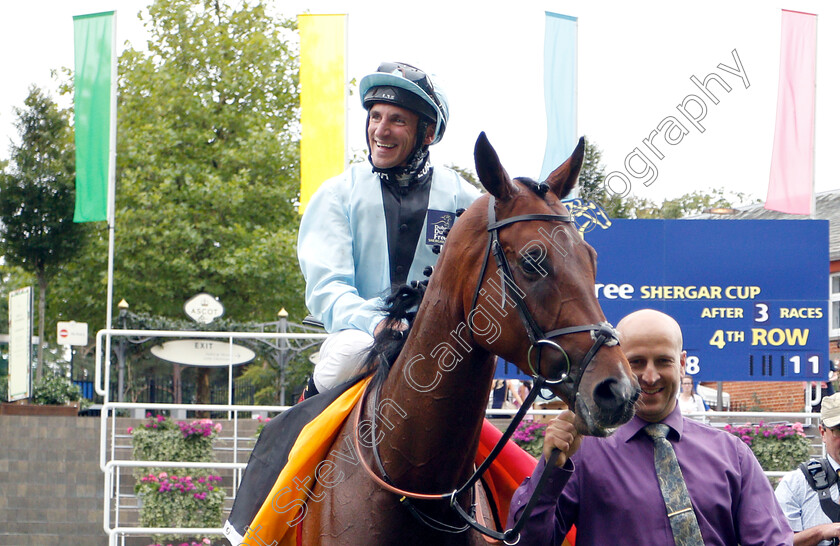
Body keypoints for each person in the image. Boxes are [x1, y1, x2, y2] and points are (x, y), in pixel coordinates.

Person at [506, 308, 792, 545]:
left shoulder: (733, 456)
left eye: (663, 361)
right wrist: (551, 469)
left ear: (682, 364)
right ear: (616, 364)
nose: (650, 376)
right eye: (637, 362)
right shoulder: (582, 455)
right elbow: (526, 541)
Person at [298, 61, 481, 396]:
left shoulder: (465, 199)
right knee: (349, 353)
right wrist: (379, 323)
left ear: (428, 133)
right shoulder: (336, 194)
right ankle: (293, 444)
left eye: (397, 120)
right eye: (375, 117)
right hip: (358, 339)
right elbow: (328, 288)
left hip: (438, 345)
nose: (380, 131)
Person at [775, 393, 840, 545]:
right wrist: (821, 533)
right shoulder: (796, 483)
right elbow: (778, 541)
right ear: (823, 433)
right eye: (839, 430)